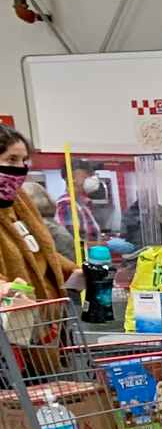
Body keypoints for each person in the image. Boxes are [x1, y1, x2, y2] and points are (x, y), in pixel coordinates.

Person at [0, 129, 78, 301]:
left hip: (45, 316)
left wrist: (74, 272)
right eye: (12, 159)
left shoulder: (20, 201)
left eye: (24, 160)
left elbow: (41, 252)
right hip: (11, 322)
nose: (21, 167)